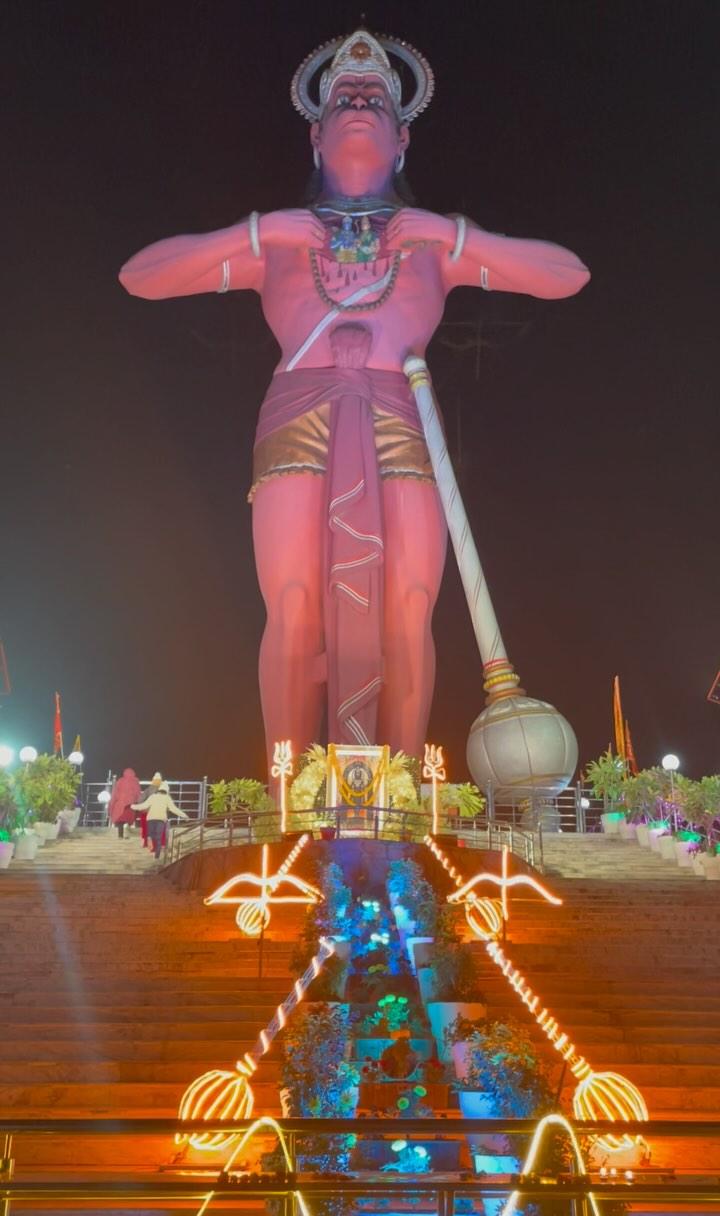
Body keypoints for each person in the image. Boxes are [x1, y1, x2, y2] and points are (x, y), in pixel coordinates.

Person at [119, 30, 590, 769]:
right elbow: (140, 276)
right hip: (297, 414)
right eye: (347, 97)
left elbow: (568, 274)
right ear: (316, 135)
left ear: (403, 141)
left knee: (408, 608)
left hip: (404, 419)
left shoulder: (431, 243)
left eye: (376, 99)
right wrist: (255, 228)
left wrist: (454, 233)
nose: (362, 102)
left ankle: (398, 791)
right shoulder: (277, 241)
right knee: (296, 602)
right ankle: (288, 796)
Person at [132, 782, 188, 859]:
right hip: (160, 820)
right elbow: (173, 809)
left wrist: (133, 806)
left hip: (151, 819)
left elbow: (144, 805)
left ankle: (151, 845)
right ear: (167, 790)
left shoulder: (153, 797)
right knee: (158, 837)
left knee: (151, 835)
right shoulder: (167, 798)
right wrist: (184, 815)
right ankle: (157, 855)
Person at [108, 768, 141, 839]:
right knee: (129, 818)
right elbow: (137, 793)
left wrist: (112, 805)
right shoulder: (135, 781)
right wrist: (138, 803)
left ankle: (120, 835)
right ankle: (129, 832)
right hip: (130, 805)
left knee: (120, 820)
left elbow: (115, 794)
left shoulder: (120, 781)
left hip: (120, 805)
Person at [137, 771, 163, 849]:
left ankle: (145, 843)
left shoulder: (148, 789)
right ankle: (156, 845)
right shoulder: (163, 790)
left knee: (146, 828)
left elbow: (140, 800)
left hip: (146, 812)